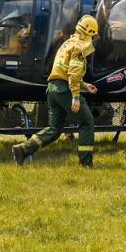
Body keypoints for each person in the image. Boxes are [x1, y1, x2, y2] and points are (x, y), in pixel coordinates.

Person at [12, 15, 99, 167]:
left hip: (52, 89)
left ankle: (23, 150)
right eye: (93, 36)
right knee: (87, 122)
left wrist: (85, 85)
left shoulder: (67, 43)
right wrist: (76, 97)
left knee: (54, 129)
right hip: (65, 91)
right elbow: (73, 72)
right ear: (88, 33)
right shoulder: (79, 47)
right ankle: (86, 162)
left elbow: (65, 71)